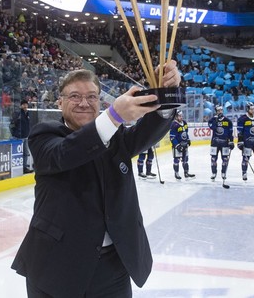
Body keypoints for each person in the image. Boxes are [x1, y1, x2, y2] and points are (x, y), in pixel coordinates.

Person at [11, 63, 181, 297]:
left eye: (92, 96)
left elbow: (146, 132)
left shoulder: (115, 135)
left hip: (113, 266)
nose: (84, 102)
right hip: (56, 266)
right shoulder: (44, 135)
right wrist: (114, 116)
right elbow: (66, 153)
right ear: (59, 102)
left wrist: (166, 94)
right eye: (75, 96)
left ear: (100, 101)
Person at [208, 105, 234, 181]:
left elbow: (230, 132)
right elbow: (212, 127)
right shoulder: (212, 120)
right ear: (216, 112)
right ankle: (214, 173)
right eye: (218, 111)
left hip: (225, 143)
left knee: (225, 159)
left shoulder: (228, 121)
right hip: (215, 142)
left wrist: (231, 141)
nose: (220, 112)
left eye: (221, 110)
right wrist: (216, 121)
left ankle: (223, 172)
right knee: (213, 159)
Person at [170, 109, 195, 180]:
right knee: (176, 160)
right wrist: (177, 145)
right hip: (177, 146)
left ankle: (186, 173)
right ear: (176, 117)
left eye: (182, 116)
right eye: (179, 116)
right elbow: (172, 137)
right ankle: (176, 173)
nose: (181, 117)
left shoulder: (184, 123)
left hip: (184, 145)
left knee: (185, 159)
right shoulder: (174, 125)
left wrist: (188, 140)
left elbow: (186, 133)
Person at [10, 98, 32, 173]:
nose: (25, 106)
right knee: (17, 153)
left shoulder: (28, 114)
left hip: (25, 137)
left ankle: (24, 167)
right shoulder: (18, 113)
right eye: (23, 105)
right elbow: (12, 125)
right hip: (18, 137)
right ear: (21, 106)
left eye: (26, 104)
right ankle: (15, 167)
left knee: (26, 153)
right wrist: (14, 134)